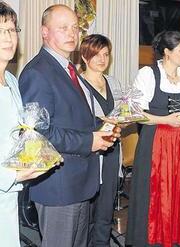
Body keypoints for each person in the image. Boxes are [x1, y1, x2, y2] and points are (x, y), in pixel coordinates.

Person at [18, 5, 118, 247]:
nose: (72, 33)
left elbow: (72, 117)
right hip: (58, 186)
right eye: (63, 28)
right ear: (45, 32)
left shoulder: (68, 67)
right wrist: (89, 141)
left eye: (75, 27)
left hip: (79, 182)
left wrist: (101, 127)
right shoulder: (38, 72)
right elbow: (39, 133)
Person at [126, 31, 180, 247]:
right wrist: (166, 119)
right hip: (157, 141)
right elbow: (135, 113)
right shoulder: (148, 74)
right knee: (157, 194)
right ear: (167, 52)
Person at [0, 2, 49, 246]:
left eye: (11, 29)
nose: (8, 38)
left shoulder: (11, 80)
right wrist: (13, 174)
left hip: (9, 193)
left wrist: (32, 157)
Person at [79, 34, 122, 247]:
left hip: (112, 151)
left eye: (106, 54)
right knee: (85, 213)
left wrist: (123, 120)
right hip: (89, 154)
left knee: (106, 209)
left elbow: (123, 113)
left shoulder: (113, 82)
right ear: (85, 57)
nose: (102, 59)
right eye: (96, 54)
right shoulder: (76, 84)